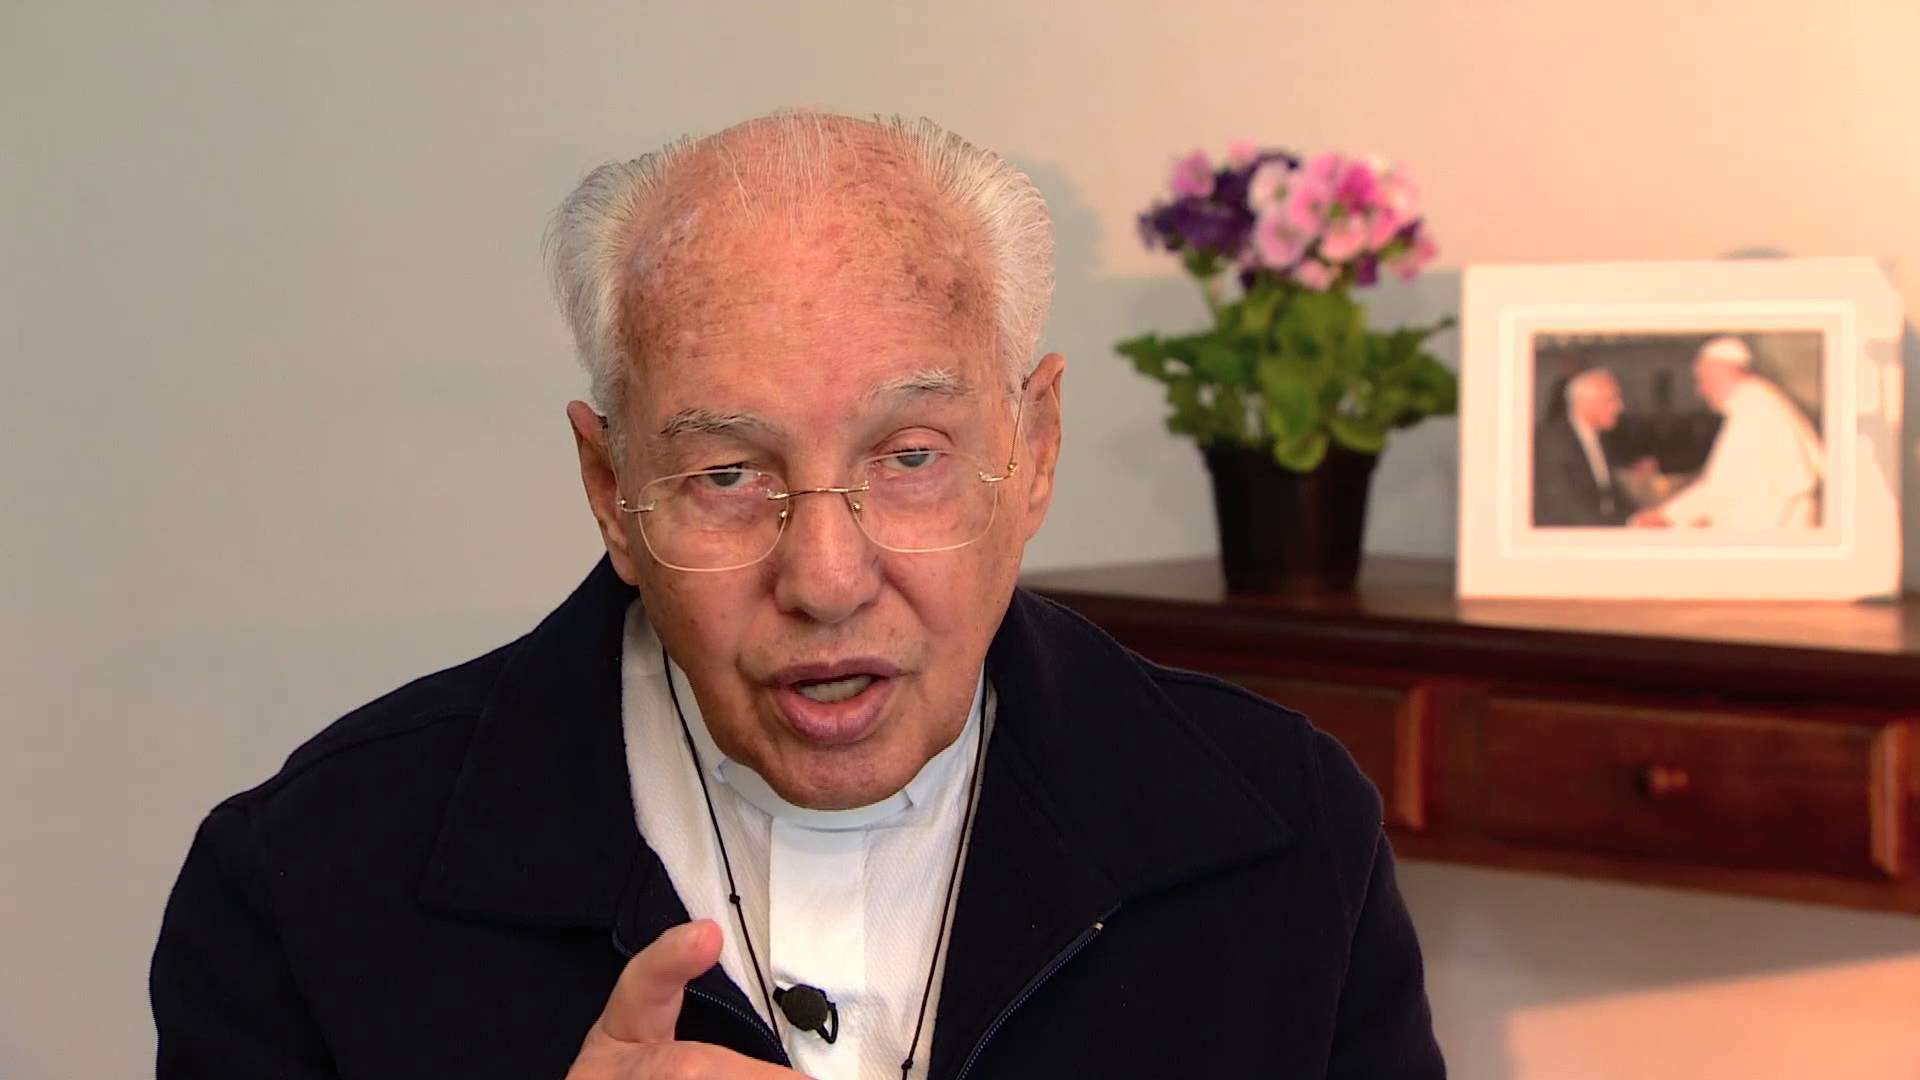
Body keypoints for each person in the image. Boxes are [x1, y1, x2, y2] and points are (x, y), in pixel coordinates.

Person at [150, 111, 1443, 1079]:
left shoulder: (1286, 838)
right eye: (727, 474)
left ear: (1035, 449)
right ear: (611, 488)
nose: (826, 579)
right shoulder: (304, 884)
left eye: (911, 458)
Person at [1630, 336, 1823, 530]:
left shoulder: (1758, 409)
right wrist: (1668, 514)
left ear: (1721, 373)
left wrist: (1669, 517)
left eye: (1702, 380)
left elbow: (1748, 495)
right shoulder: (1753, 402)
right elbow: (1722, 483)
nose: (1700, 391)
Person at [1534, 367, 1631, 527]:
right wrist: (1625, 525)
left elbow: (1610, 494)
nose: (1619, 407)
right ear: (1585, 403)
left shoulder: (1599, 439)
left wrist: (1637, 518)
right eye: (1612, 399)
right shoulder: (1552, 442)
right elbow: (1564, 509)